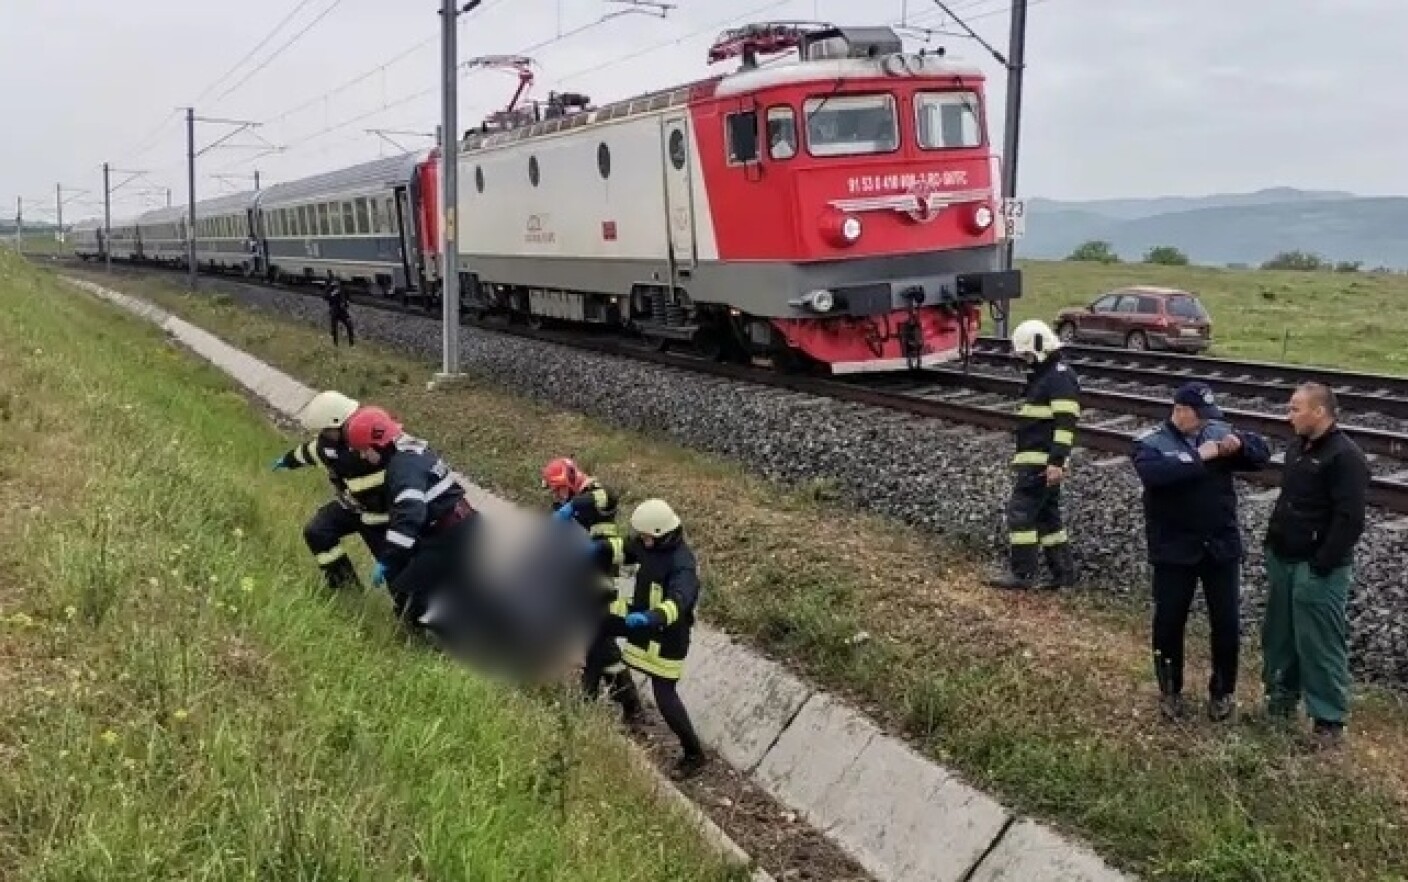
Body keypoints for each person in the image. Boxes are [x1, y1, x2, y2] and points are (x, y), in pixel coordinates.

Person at [1131, 382, 1271, 722]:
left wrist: (1241, 445)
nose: (1207, 423)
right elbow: (1155, 474)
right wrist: (1199, 457)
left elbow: (1261, 454)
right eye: (1200, 416)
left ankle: (1222, 692)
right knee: (1168, 624)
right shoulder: (1150, 442)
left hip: (1219, 548)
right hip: (1174, 551)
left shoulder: (1216, 431)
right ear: (1180, 411)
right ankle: (1170, 691)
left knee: (1225, 624)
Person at [1261, 382, 1369, 749]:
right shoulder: (1297, 448)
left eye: (1295, 408)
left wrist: (1322, 563)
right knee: (1281, 638)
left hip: (1316, 568)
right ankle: (1278, 706)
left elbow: (1350, 519)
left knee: (1319, 645)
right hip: (1284, 559)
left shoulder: (1345, 456)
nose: (1288, 415)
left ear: (1319, 412)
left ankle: (1328, 723)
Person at [341, 405, 476, 629]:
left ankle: (460, 642)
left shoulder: (402, 468)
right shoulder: (411, 451)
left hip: (451, 534)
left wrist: (389, 559)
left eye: (364, 450)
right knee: (448, 589)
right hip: (459, 526)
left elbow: (410, 513)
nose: (363, 456)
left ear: (378, 444)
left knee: (412, 600)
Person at [609, 498, 708, 779]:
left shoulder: (682, 565)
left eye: (645, 536)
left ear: (660, 533)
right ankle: (631, 709)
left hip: (667, 637)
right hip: (643, 627)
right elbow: (625, 550)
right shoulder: (649, 544)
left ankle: (694, 754)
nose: (641, 541)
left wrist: (651, 618)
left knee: (665, 695)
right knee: (608, 652)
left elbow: (679, 602)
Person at [541, 457, 643, 722]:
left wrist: (569, 507)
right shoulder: (568, 502)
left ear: (572, 479)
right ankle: (624, 701)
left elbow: (605, 498)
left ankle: (598, 702)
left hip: (601, 572)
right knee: (599, 641)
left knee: (598, 638)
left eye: (559, 488)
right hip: (582, 575)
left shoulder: (597, 494)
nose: (558, 495)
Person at [988, 319, 1081, 590]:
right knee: (1047, 517)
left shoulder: (1057, 378)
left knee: (1021, 514)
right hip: (1040, 461)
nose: (1025, 361)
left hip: (1041, 462)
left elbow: (1066, 424)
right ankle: (1063, 575)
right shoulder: (1050, 375)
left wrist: (1056, 462)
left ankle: (1022, 574)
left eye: (1027, 355)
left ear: (1039, 347)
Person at [272, 390, 388, 591]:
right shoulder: (329, 445)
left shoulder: (375, 442)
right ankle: (346, 587)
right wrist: (288, 460)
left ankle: (412, 610)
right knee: (317, 531)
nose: (323, 435)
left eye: (326, 430)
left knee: (400, 579)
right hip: (353, 507)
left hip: (383, 518)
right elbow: (310, 452)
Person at [324, 273, 354, 348]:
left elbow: (348, 297)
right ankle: (335, 343)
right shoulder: (330, 289)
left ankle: (351, 343)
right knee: (334, 328)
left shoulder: (343, 289)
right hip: (334, 310)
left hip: (342, 310)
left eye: (338, 281)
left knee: (349, 325)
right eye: (335, 281)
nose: (337, 283)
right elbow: (325, 297)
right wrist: (333, 293)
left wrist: (347, 302)